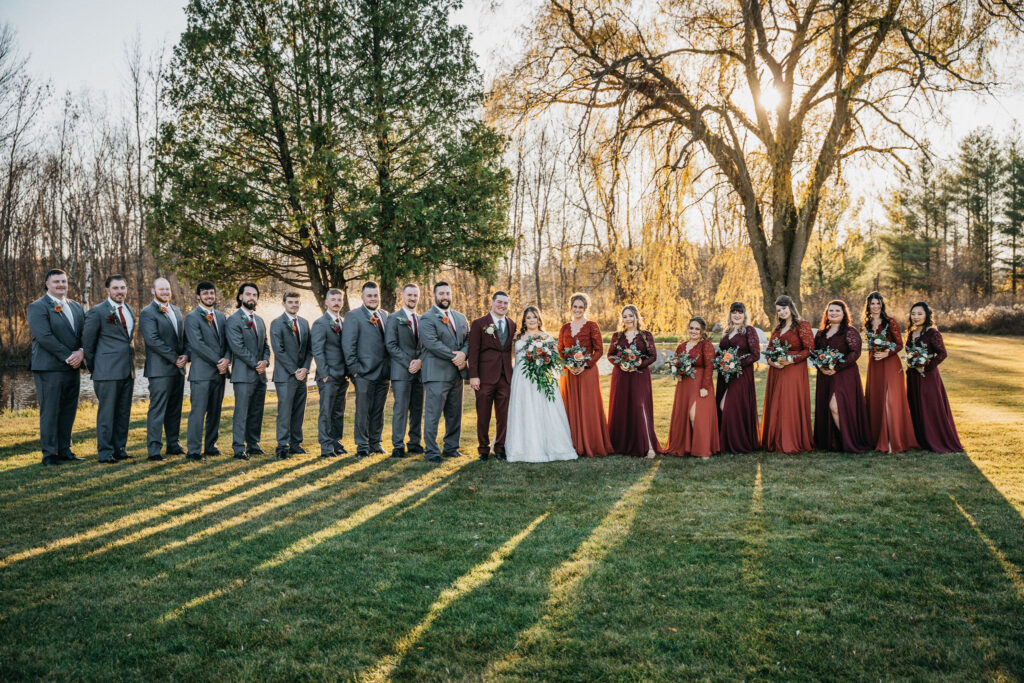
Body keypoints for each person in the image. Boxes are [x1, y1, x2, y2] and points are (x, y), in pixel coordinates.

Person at [27, 268, 85, 466]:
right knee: (50, 410)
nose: (61, 285)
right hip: (49, 367)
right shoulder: (38, 307)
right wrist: (68, 356)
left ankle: (65, 449)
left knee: (69, 409)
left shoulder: (76, 306)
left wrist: (81, 352)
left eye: (63, 281)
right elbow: (44, 337)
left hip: (73, 366)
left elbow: (83, 334)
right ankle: (50, 454)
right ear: (47, 284)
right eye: (56, 282)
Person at [505, 306, 578, 462]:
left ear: (539, 319)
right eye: (529, 317)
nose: (532, 320)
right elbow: (511, 358)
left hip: (542, 378)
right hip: (522, 379)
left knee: (545, 411)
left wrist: (543, 364)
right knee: (525, 411)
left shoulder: (546, 337)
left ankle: (552, 447)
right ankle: (522, 449)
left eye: (534, 317)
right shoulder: (517, 338)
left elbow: (554, 359)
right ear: (524, 320)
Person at [82, 274, 137, 464]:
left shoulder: (129, 309)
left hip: (127, 370)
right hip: (106, 371)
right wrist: (96, 368)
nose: (120, 291)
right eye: (116, 288)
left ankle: (120, 449)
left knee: (123, 412)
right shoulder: (97, 311)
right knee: (107, 414)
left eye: (123, 288)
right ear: (108, 290)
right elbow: (88, 344)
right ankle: (105, 453)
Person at [418, 282, 469, 462]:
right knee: (433, 415)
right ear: (434, 295)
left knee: (455, 414)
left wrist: (464, 353)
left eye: (447, 293)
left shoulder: (461, 317)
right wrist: (456, 357)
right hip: (436, 374)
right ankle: (431, 451)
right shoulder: (426, 318)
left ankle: (451, 448)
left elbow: (468, 340)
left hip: (456, 375)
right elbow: (432, 343)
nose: (445, 296)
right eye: (441, 293)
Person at [812, 300, 872, 453]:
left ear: (844, 313)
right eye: (830, 310)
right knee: (827, 406)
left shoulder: (850, 331)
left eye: (837, 311)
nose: (833, 313)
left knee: (835, 406)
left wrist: (837, 367)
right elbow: (815, 353)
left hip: (845, 374)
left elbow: (855, 353)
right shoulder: (821, 333)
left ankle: (849, 441)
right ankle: (834, 441)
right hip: (825, 375)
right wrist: (822, 367)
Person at [139, 277, 188, 461]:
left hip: (178, 369)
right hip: (160, 370)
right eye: (161, 289)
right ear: (153, 291)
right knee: (158, 409)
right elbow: (153, 341)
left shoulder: (176, 310)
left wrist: (185, 355)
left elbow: (182, 338)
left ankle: (173, 444)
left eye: (167, 289)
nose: (165, 292)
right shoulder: (147, 312)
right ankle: (154, 449)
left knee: (175, 409)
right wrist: (174, 358)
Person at [557, 293, 612, 457]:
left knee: (588, 406)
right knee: (570, 405)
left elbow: (599, 350)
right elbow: (560, 350)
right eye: (575, 306)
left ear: (585, 308)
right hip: (569, 372)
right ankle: (572, 443)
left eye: (581, 307)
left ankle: (591, 443)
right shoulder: (565, 328)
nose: (577, 310)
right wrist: (568, 364)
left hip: (587, 371)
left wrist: (585, 365)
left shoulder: (592, 326)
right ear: (571, 307)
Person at [863, 292, 918, 453]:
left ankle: (893, 440)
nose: (875, 306)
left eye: (878, 303)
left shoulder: (890, 321)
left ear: (882, 305)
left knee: (891, 400)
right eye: (872, 303)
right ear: (868, 306)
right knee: (878, 399)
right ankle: (878, 439)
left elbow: (899, 344)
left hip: (891, 364)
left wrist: (887, 352)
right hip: (875, 364)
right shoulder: (867, 324)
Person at [905, 302, 964, 453]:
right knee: (915, 404)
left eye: (919, 314)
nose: (916, 317)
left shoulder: (932, 333)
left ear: (927, 315)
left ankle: (935, 438)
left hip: (928, 376)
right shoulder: (911, 333)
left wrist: (927, 365)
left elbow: (942, 353)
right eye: (913, 314)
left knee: (929, 406)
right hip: (913, 375)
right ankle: (921, 439)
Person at [341, 281, 391, 458]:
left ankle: (375, 443)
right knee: (363, 411)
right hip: (363, 373)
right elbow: (348, 346)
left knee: (378, 410)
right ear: (362, 297)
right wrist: (355, 371)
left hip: (384, 373)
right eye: (369, 295)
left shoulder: (385, 315)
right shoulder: (353, 316)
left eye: (375, 295)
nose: (373, 298)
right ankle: (362, 445)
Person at [760, 295, 814, 454]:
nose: (782, 312)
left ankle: (791, 440)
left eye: (784, 308)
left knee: (788, 403)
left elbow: (809, 349)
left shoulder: (802, 325)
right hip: (777, 370)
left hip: (793, 370)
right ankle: (775, 439)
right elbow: (769, 349)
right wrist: (770, 361)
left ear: (791, 307)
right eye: (779, 310)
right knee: (777, 402)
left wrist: (791, 359)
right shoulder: (777, 328)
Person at [183, 281, 230, 461]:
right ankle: (194, 450)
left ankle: (211, 446)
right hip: (201, 374)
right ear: (198, 296)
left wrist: (227, 359)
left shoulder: (221, 316)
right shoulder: (192, 317)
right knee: (198, 412)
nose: (209, 296)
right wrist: (218, 360)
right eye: (205, 294)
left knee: (215, 412)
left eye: (211, 293)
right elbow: (197, 344)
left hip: (220, 373)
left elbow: (227, 342)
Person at [607, 304, 660, 457]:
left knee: (639, 405)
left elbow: (653, 356)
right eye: (625, 316)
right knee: (622, 406)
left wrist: (639, 364)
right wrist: (621, 364)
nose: (628, 319)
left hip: (639, 375)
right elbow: (611, 355)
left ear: (636, 317)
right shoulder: (617, 336)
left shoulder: (645, 335)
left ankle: (647, 445)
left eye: (631, 316)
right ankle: (620, 444)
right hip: (621, 376)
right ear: (622, 319)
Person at [468, 291, 516, 461]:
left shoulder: (512, 324)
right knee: (483, 415)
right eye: (500, 302)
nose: (503, 306)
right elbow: (473, 352)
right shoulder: (479, 323)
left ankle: (500, 447)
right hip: (484, 377)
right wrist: (473, 375)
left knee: (503, 415)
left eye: (506, 303)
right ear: (493, 302)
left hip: (505, 377)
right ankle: (483, 449)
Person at [225, 282, 270, 459]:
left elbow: (266, 345)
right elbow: (238, 347)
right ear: (240, 297)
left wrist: (265, 361)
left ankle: (253, 444)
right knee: (242, 412)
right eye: (248, 294)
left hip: (260, 375)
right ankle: (238, 447)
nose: (251, 298)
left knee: (256, 411)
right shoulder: (234, 320)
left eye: (254, 295)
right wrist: (255, 364)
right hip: (243, 375)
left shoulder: (259, 321)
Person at [664, 316, 720, 458]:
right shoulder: (682, 346)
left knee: (696, 416)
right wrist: (676, 371)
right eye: (691, 328)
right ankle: (684, 447)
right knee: (684, 415)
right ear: (688, 329)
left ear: (702, 331)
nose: (693, 331)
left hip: (700, 383)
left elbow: (709, 366)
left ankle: (702, 450)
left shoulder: (705, 345)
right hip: (684, 385)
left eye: (697, 329)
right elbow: (675, 362)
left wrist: (705, 387)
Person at [270, 291, 312, 459]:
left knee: (299, 411)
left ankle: (295, 444)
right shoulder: (277, 323)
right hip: (285, 376)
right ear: (284, 303)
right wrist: (295, 370)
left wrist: (305, 369)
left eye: (297, 302)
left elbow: (309, 349)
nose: (294, 304)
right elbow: (278, 351)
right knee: (285, 412)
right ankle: (282, 445)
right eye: (291, 302)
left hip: (302, 375)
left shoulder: (304, 323)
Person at [385, 284, 425, 458]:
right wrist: (410, 363)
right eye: (409, 295)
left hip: (420, 371)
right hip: (401, 371)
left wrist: (420, 362)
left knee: (417, 408)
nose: (413, 298)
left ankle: (414, 442)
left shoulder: (423, 319)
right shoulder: (394, 318)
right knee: (400, 409)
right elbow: (391, 345)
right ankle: (398, 445)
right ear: (403, 296)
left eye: (415, 295)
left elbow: (426, 345)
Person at [715, 302, 761, 454]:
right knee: (724, 406)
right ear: (730, 314)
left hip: (741, 374)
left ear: (744, 314)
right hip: (725, 375)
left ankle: (739, 442)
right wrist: (717, 360)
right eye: (734, 312)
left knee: (727, 405)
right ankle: (727, 443)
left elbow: (755, 354)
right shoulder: (727, 331)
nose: (736, 315)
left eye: (740, 312)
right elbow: (721, 351)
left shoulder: (749, 330)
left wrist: (736, 364)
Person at [310, 288, 349, 457]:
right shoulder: (320, 323)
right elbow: (317, 350)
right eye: (333, 299)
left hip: (342, 375)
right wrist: (325, 373)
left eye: (339, 300)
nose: (336, 303)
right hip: (328, 376)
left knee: (338, 412)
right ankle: (326, 447)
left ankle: (336, 442)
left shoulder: (344, 322)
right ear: (326, 302)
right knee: (326, 412)